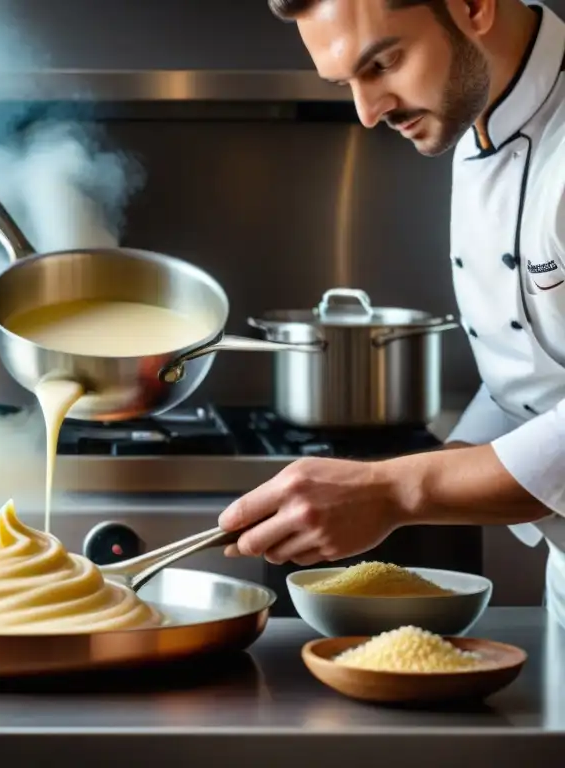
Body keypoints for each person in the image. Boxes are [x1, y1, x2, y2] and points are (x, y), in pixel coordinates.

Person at [220, 0, 565, 626]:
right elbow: (531, 370)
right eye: (346, 84)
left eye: (382, 63)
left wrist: (396, 490)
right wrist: (448, 467)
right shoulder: (475, 116)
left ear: (473, 7)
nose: (367, 111)